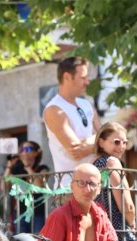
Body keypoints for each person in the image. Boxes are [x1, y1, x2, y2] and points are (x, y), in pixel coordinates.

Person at [40, 163, 120, 241]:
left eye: (92, 184)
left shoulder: (100, 212)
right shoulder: (59, 216)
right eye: (81, 183)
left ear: (99, 188)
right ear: (72, 186)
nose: (87, 189)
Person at [43, 56, 101, 185]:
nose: (87, 82)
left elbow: (106, 137)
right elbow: (77, 152)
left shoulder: (87, 104)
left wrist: (93, 142)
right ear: (67, 77)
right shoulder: (54, 109)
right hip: (69, 187)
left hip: (95, 184)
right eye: (83, 78)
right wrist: (100, 140)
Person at [93, 122, 137, 241]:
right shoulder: (112, 162)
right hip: (118, 233)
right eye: (116, 142)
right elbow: (126, 205)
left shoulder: (94, 163)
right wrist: (133, 224)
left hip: (99, 232)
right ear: (101, 142)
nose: (121, 147)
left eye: (124, 142)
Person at [5, 141, 50, 233]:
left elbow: (38, 186)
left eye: (28, 149)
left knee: (38, 239)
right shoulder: (17, 169)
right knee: (21, 240)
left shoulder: (42, 168)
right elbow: (4, 186)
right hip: (21, 212)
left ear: (36, 153)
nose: (24, 152)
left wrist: (27, 167)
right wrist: (9, 166)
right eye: (22, 149)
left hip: (38, 212)